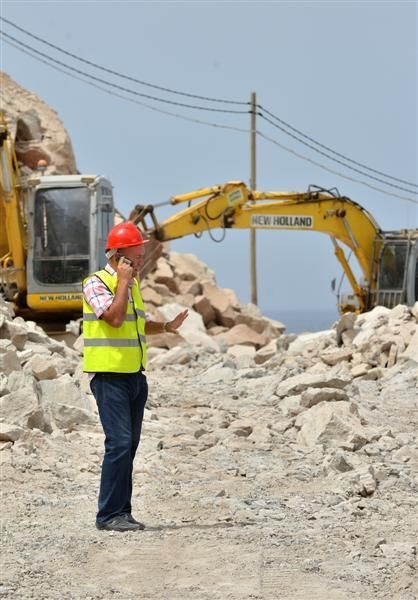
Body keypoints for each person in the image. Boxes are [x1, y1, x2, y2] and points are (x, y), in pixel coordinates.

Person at [83, 222, 188, 532]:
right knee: (118, 444)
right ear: (118, 258)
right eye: (136, 258)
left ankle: (122, 512)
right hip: (109, 376)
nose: (141, 263)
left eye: (141, 257)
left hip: (134, 377)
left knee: (130, 445)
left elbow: (135, 325)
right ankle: (107, 515)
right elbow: (114, 320)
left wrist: (166, 327)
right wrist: (124, 284)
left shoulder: (132, 286)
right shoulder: (96, 283)